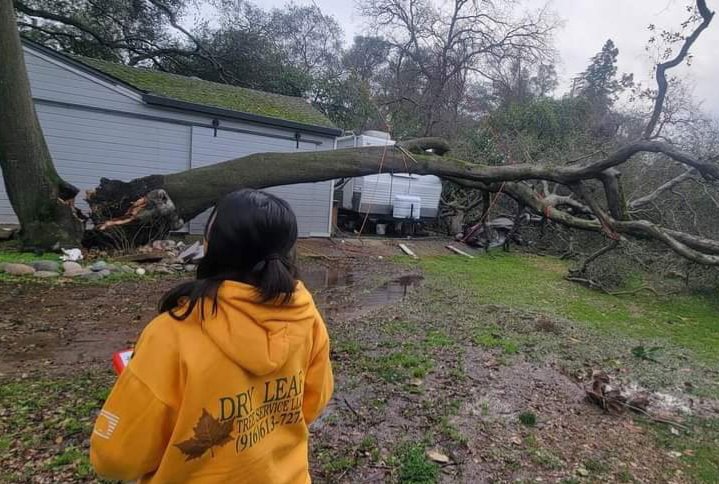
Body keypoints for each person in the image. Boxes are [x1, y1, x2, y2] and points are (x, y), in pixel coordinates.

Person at [90, 189, 334, 483]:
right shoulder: (305, 317)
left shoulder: (171, 333)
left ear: (213, 245)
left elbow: (116, 459)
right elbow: (312, 403)